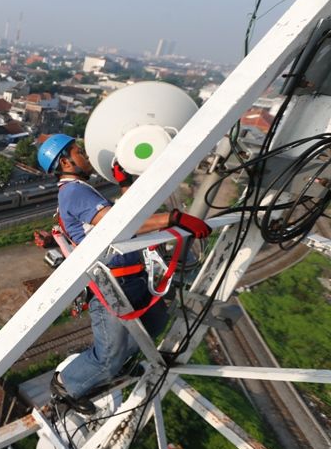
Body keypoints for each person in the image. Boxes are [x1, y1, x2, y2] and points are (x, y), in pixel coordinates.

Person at [37, 134, 211, 413]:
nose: (85, 155)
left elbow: (123, 215)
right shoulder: (74, 192)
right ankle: (67, 385)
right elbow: (117, 225)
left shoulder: (82, 189)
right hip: (113, 284)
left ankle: (109, 368)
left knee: (153, 324)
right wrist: (174, 219)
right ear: (66, 161)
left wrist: (125, 184)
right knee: (109, 357)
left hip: (131, 278)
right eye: (78, 151)